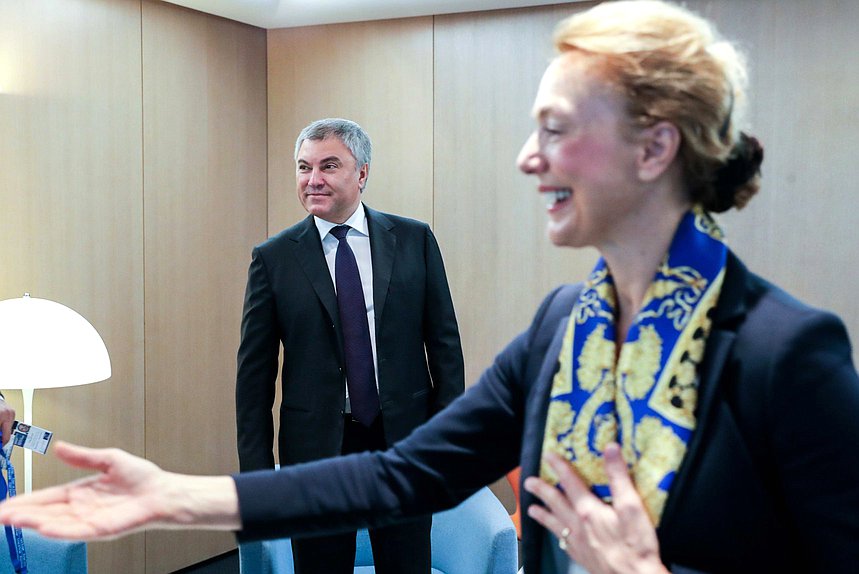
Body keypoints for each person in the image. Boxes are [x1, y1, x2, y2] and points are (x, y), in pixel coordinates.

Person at [2, 2, 859, 573]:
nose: (529, 158)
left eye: (555, 130)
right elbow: (400, 474)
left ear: (654, 148)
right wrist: (173, 497)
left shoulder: (789, 354)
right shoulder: (563, 326)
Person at [234, 117, 464, 573]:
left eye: (328, 166)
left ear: (361, 174)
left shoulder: (414, 240)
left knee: (406, 564)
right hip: (317, 450)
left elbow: (445, 349)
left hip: (404, 442)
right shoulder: (273, 258)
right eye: (304, 168)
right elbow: (253, 380)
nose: (312, 180)